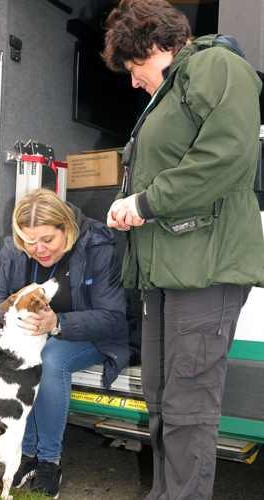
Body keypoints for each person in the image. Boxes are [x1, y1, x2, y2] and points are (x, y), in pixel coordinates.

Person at [101, 1, 264, 499]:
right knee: (162, 402)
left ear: (155, 45)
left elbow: (227, 151)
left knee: (188, 409)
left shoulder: (214, 64)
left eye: (133, 68)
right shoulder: (169, 92)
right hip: (166, 274)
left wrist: (146, 202)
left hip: (204, 269)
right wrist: (131, 204)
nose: (132, 82)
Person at [0, 187, 140, 499]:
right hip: (40, 334)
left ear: (66, 228)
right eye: (29, 242)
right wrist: (11, 318)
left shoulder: (98, 247)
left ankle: (48, 461)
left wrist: (58, 323)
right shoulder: (16, 251)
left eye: (48, 240)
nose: (39, 249)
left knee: (51, 358)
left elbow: (113, 316)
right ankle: (26, 455)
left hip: (96, 335)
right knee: (24, 357)